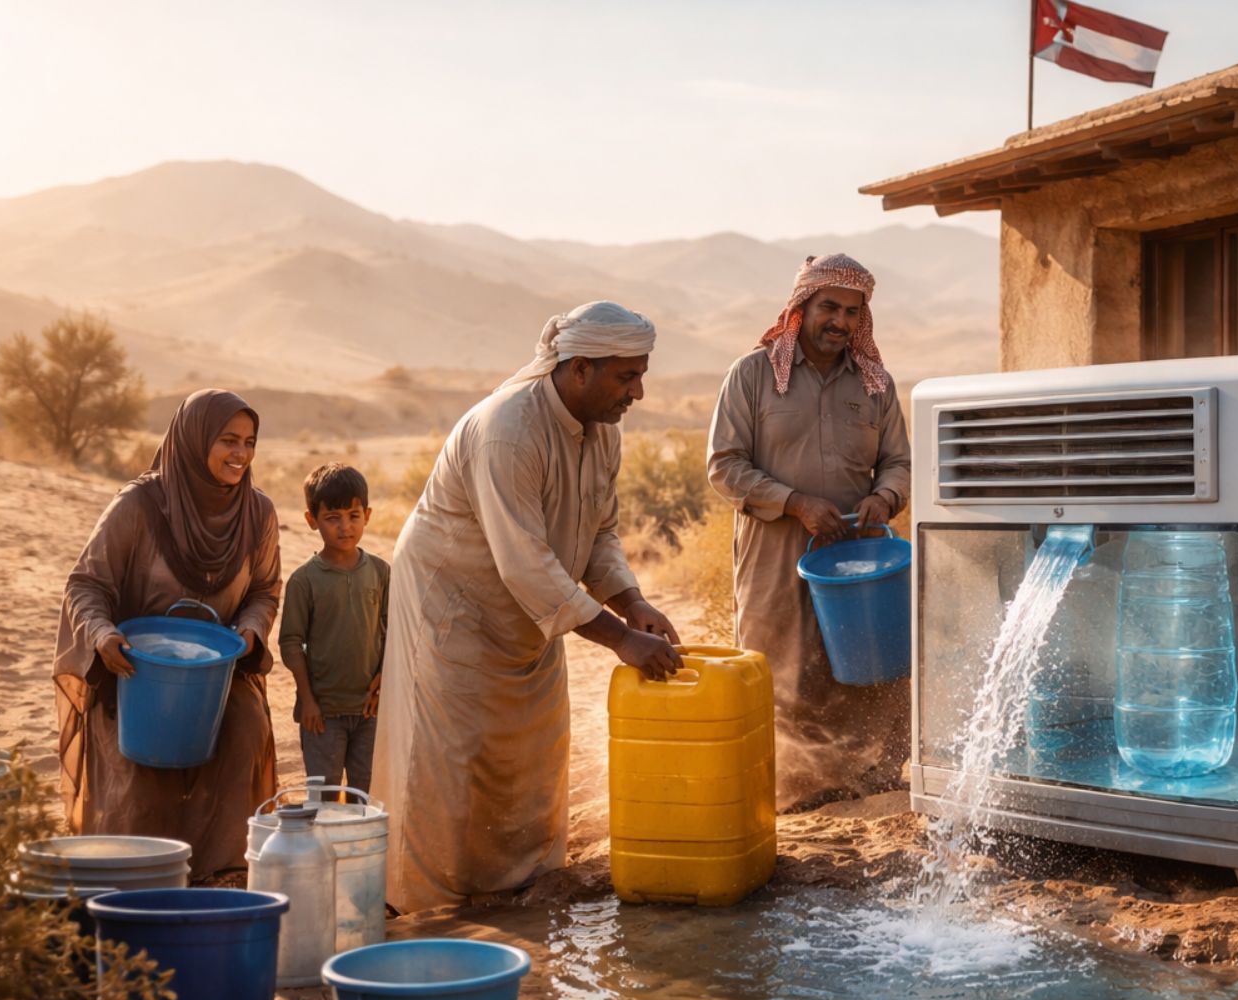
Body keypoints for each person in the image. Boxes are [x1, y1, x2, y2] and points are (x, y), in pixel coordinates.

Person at [373, 300, 683, 913]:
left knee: (533, 747)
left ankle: (519, 886)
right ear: (580, 369)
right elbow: (523, 561)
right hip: (454, 604)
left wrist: (632, 602)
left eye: (642, 375)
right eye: (627, 376)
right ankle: (428, 901)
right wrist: (622, 639)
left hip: (533, 611)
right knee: (453, 755)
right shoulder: (508, 428)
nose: (639, 393)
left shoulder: (604, 432)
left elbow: (598, 531)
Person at [706, 254, 913, 810]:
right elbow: (723, 466)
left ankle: (867, 781)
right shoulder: (752, 374)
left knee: (870, 665)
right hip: (775, 552)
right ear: (802, 306)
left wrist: (884, 497)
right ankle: (793, 790)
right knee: (781, 664)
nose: (840, 321)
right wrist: (795, 504)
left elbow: (898, 462)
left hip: (859, 553)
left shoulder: (875, 383)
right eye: (829, 307)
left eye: (852, 312)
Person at [53, 389, 281, 879]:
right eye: (228, 440)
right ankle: (142, 875)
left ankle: (222, 873)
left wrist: (250, 628)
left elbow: (265, 589)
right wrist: (102, 635)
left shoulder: (258, 513)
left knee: (245, 728)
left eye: (249, 442)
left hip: (216, 673)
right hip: (137, 670)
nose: (241, 454)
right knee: (146, 759)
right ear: (193, 439)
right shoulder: (139, 504)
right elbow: (85, 584)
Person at [278, 462, 388, 798]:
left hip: (370, 711)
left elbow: (394, 630)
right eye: (332, 517)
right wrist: (307, 700)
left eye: (353, 516)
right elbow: (291, 642)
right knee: (323, 798)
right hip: (322, 714)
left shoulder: (381, 572)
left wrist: (383, 679)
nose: (345, 527)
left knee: (365, 798)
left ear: (367, 515)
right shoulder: (304, 580)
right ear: (312, 520)